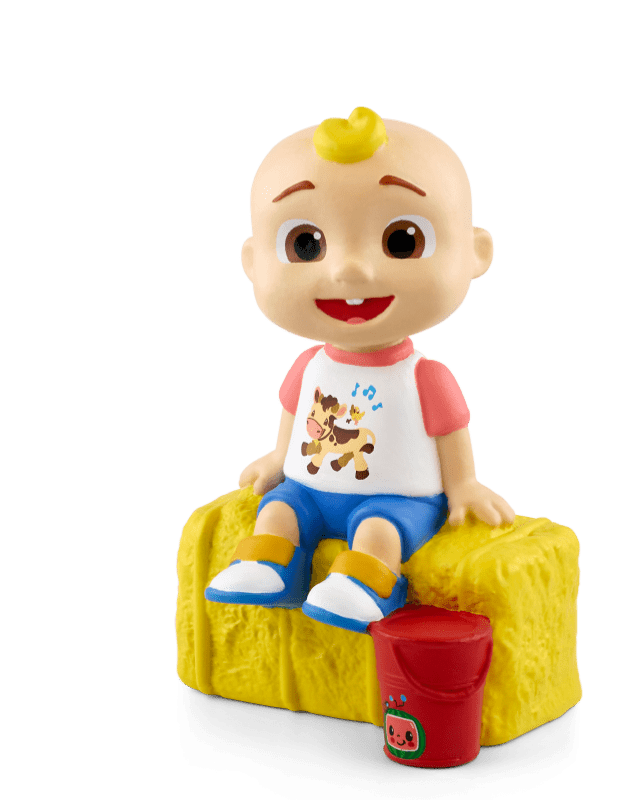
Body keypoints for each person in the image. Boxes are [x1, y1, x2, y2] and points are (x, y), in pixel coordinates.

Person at [205, 107, 515, 632]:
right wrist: (278, 459)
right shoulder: (310, 365)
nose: (349, 269)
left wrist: (464, 487)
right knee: (277, 512)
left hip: (397, 500)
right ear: (253, 262)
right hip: (306, 489)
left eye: (401, 241)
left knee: (378, 532)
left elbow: (450, 435)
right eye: (306, 244)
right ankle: (268, 568)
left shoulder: (425, 377)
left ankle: (366, 585)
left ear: (475, 254)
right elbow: (293, 417)